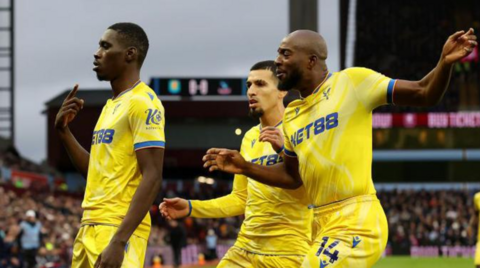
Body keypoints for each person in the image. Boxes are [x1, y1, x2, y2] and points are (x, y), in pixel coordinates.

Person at [203, 29, 478, 267]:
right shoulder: (293, 116)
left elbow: (422, 92)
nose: (278, 61)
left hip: (358, 217)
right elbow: (290, 176)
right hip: (322, 224)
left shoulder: (352, 83)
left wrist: (444, 63)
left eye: (285, 54)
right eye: (278, 54)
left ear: (311, 60)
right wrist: (245, 167)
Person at [160, 61, 312, 267]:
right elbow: (241, 198)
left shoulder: (301, 128)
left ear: (282, 91)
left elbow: (314, 184)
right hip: (245, 248)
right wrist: (190, 207)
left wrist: (286, 151)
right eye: (249, 85)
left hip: (289, 251)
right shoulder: (250, 138)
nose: (251, 91)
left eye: (260, 84)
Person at [55, 22, 165, 268]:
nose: (97, 53)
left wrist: (119, 240)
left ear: (130, 54)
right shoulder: (110, 107)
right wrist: (63, 132)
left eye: (105, 46)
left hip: (116, 227)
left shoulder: (143, 103)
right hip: (89, 226)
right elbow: (95, 171)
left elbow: (153, 176)